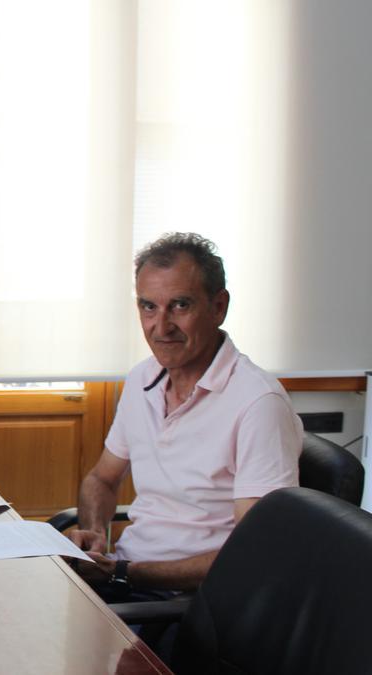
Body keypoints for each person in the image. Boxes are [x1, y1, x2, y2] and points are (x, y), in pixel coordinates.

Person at [65, 233, 302, 600]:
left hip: (190, 603)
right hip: (127, 579)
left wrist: (126, 573)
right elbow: (102, 479)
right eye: (148, 307)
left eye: (179, 305)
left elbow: (252, 552)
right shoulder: (141, 378)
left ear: (218, 307)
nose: (160, 327)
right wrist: (96, 536)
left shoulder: (258, 403)